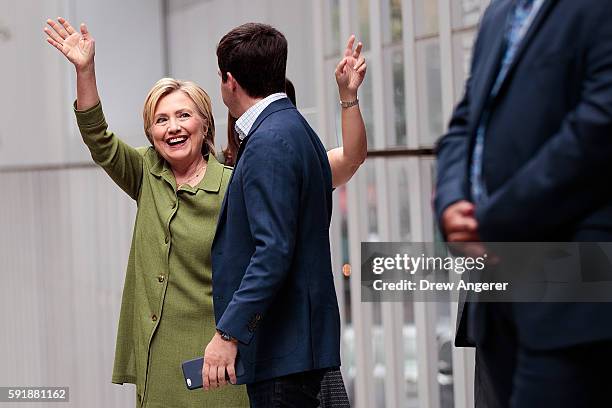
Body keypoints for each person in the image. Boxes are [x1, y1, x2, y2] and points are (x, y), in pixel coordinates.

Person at [44, 17, 365, 408]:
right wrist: (85, 70)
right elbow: (100, 140)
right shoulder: (146, 174)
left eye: (183, 115)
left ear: (205, 122)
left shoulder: (238, 178)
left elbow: (337, 169)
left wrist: (348, 101)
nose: (172, 127)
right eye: (161, 119)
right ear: (150, 132)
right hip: (159, 361)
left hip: (219, 360)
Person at [434, 0, 612, 406]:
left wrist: (490, 219)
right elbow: (465, 124)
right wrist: (450, 204)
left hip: (573, 292)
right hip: (497, 299)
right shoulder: (500, 13)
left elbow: (598, 129)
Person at [205, 23, 350, 407]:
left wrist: (229, 333)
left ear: (229, 82)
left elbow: (272, 252)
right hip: (296, 347)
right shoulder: (296, 129)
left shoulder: (270, 141)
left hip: (283, 350)